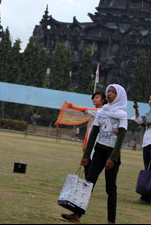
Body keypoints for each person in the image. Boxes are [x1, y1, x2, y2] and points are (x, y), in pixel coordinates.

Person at [61, 84, 128, 224]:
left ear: (119, 96)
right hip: (98, 151)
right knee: (87, 183)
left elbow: (120, 139)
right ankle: (76, 214)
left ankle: (111, 221)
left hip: (112, 154)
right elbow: (93, 134)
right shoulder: (101, 112)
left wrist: (113, 158)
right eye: (108, 91)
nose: (108, 94)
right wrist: (86, 155)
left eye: (113, 92)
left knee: (111, 188)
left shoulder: (122, 115)